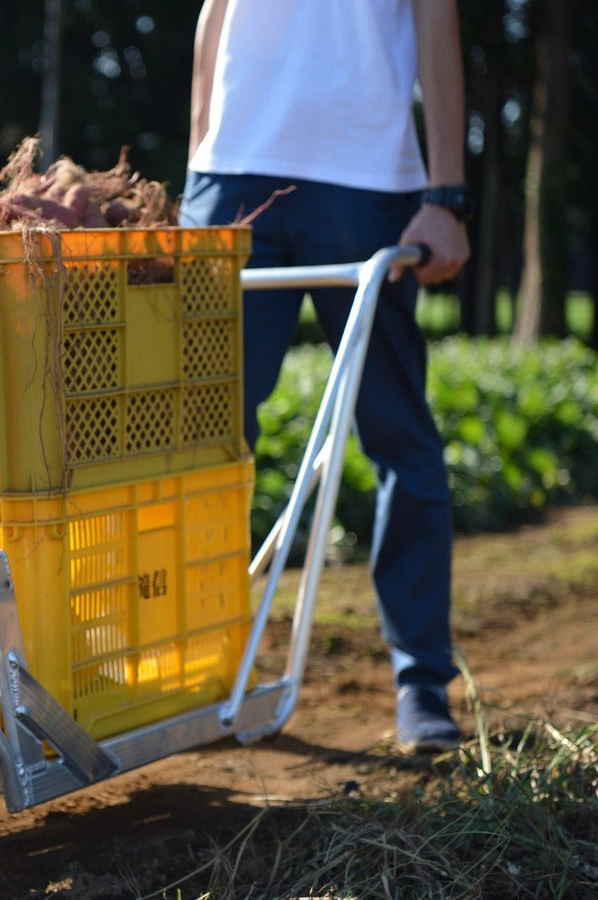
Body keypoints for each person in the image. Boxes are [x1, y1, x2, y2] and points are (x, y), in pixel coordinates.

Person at [179, 0, 472, 753]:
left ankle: (421, 682)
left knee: (396, 432)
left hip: (366, 173)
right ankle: (196, 669)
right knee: (200, 439)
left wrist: (445, 196)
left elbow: (436, 19)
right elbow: (216, 12)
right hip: (231, 173)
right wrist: (195, 165)